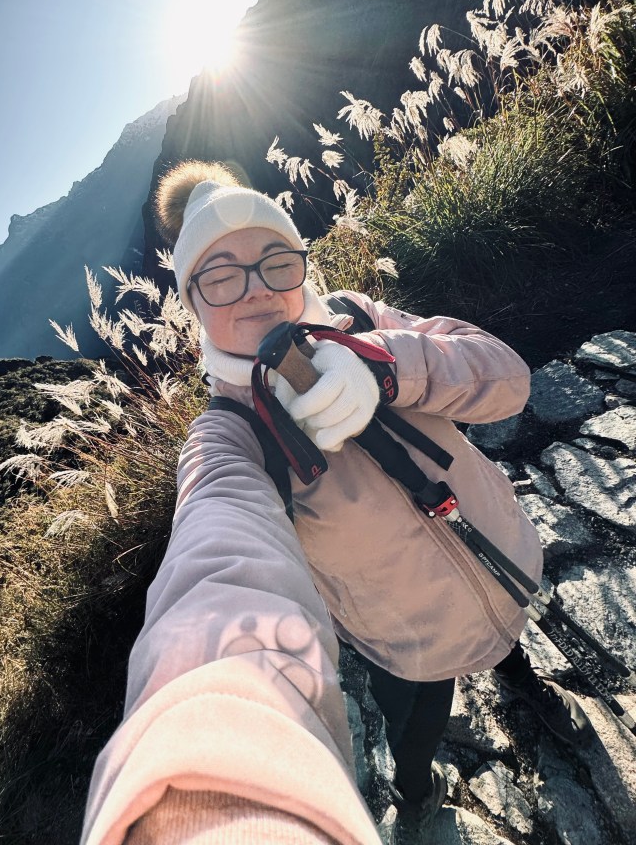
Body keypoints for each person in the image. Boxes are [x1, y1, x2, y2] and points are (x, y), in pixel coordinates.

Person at [81, 161, 590, 845]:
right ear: (193, 302)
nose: (258, 289)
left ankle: (526, 682)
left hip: (496, 552)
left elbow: (506, 377)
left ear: (301, 263)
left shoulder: (358, 315)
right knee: (416, 728)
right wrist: (212, 765)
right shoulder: (230, 433)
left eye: (275, 260)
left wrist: (385, 363)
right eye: (221, 273)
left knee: (508, 637)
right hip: (400, 636)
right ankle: (417, 798)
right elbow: (217, 559)